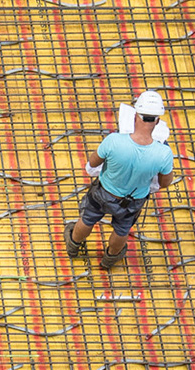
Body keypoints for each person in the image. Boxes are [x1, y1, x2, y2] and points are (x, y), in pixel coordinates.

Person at [66, 91, 178, 270]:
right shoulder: (164, 153)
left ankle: (73, 245)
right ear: (157, 121)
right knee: (122, 230)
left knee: (87, 219)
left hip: (104, 193)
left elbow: (92, 164)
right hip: (132, 202)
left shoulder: (114, 141)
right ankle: (110, 258)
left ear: (135, 116)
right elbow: (164, 183)